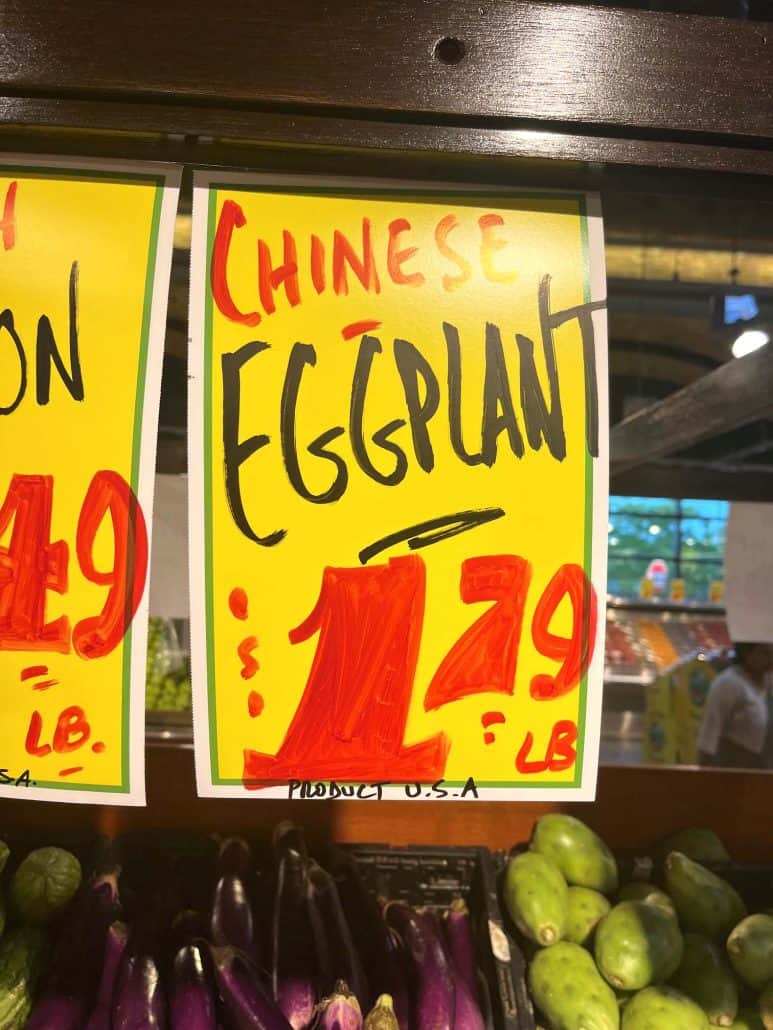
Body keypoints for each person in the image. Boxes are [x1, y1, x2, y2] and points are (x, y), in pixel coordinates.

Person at [698, 642, 773, 769]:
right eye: (765, 653)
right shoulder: (728, 684)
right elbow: (707, 742)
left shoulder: (768, 682)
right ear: (746, 653)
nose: (771, 660)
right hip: (735, 774)